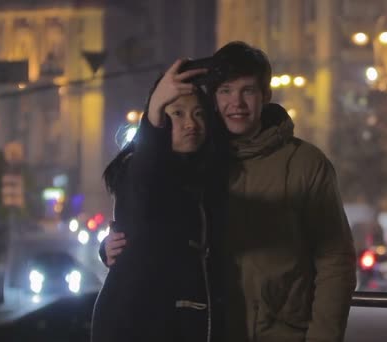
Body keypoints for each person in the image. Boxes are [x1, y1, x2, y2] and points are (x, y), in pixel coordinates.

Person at [102, 41, 357, 341]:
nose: (236, 102)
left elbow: (335, 260)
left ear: (265, 95)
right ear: (214, 98)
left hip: (281, 332)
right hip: (212, 330)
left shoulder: (304, 164)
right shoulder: (199, 161)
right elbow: (148, 202)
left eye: (247, 90)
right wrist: (117, 248)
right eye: (225, 91)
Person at [92, 61, 228, 342]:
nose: (191, 123)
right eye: (177, 114)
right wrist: (154, 109)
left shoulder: (200, 175)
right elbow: (146, 176)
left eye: (199, 114)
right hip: (138, 323)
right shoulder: (140, 168)